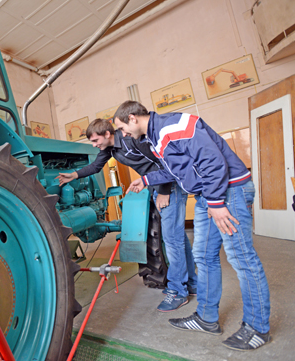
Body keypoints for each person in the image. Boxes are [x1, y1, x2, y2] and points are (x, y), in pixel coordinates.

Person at [114, 101, 270, 351]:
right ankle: (207, 318)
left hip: (229, 191)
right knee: (204, 255)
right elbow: (178, 171)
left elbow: (212, 161)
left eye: (122, 128)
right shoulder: (156, 136)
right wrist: (146, 179)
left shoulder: (172, 127)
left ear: (132, 118)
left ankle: (257, 327)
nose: (123, 135)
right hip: (208, 194)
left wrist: (217, 202)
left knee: (241, 257)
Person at [57, 118, 197, 312]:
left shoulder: (132, 140)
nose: (94, 145)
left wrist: (164, 190)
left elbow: (162, 161)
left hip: (168, 185)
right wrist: (74, 175)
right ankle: (191, 283)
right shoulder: (109, 150)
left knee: (172, 240)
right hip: (155, 185)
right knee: (178, 237)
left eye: (96, 140)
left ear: (107, 134)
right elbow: (95, 167)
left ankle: (178, 292)